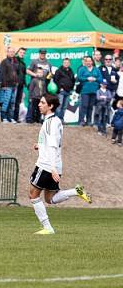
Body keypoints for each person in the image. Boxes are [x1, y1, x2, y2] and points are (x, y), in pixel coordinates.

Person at [29, 94, 91, 235]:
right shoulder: (55, 121)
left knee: (33, 195)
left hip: (46, 165)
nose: (39, 104)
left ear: (50, 106)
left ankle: (47, 228)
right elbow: (52, 143)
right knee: (50, 199)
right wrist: (40, 145)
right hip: (55, 164)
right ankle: (76, 191)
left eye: (43, 103)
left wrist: (52, 169)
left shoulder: (50, 122)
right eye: (39, 102)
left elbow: (52, 146)